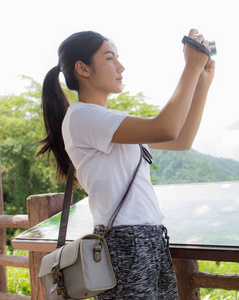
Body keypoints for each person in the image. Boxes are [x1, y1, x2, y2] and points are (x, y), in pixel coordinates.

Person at [37, 29, 215, 299]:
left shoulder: (110, 121)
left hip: (151, 236)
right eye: (110, 58)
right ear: (83, 69)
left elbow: (181, 139)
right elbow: (165, 128)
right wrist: (190, 67)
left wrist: (201, 82)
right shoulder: (82, 116)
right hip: (124, 241)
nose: (121, 66)